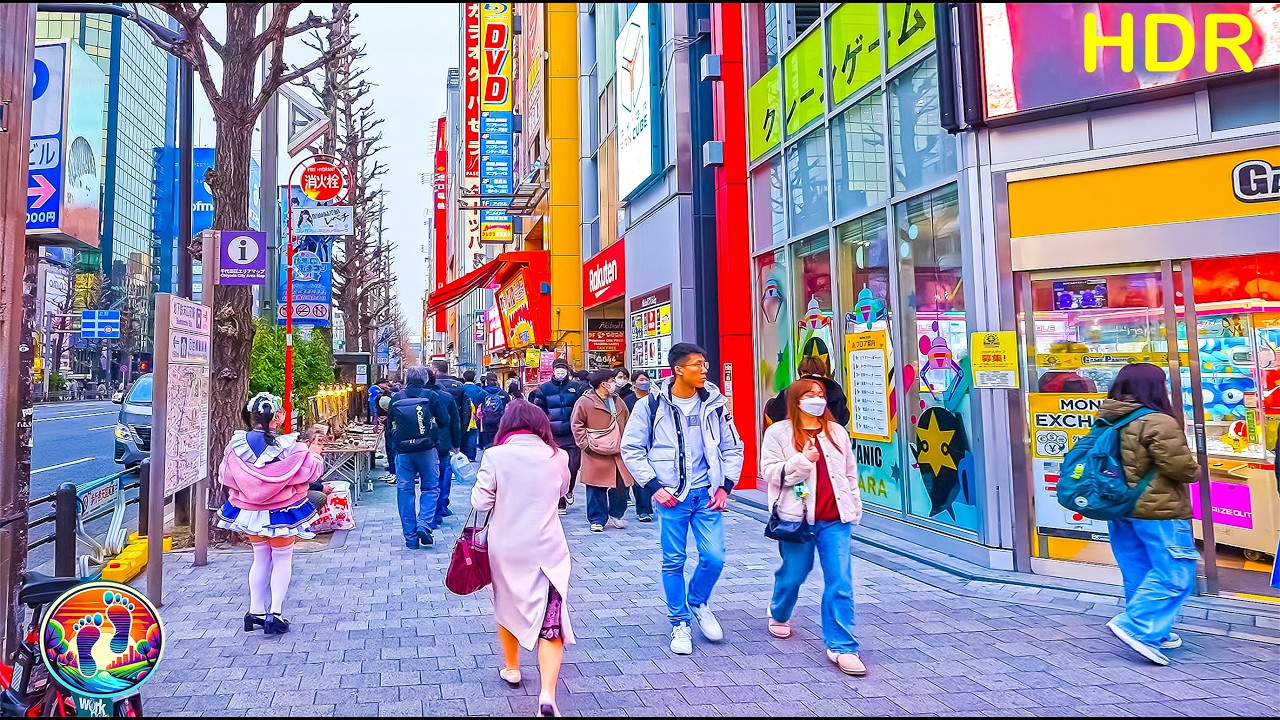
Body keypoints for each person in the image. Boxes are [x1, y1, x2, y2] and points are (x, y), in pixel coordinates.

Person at [621, 343, 744, 656]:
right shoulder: (650, 405)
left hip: (707, 494)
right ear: (678, 369)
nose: (704, 370)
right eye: (697, 365)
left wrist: (725, 486)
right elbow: (631, 448)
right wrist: (653, 487)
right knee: (673, 561)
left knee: (714, 557)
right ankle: (680, 622)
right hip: (672, 496)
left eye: (705, 364)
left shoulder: (716, 402)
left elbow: (732, 446)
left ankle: (698, 602)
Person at [471, 400, 575, 717]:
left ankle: (512, 668)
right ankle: (547, 695)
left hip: (506, 547)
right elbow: (563, 491)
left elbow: (480, 501)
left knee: (507, 602)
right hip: (548, 548)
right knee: (551, 621)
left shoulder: (495, 455)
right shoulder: (559, 456)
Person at [760, 378, 866, 676]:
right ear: (796, 400)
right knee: (794, 574)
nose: (817, 399)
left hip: (835, 520)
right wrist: (802, 462)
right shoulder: (778, 433)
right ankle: (779, 610)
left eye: (821, 395)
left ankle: (843, 646)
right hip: (796, 520)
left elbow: (849, 474)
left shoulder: (836, 432)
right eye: (810, 395)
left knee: (841, 581)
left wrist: (853, 509)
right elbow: (770, 473)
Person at [1099, 362, 1200, 666]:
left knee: (1138, 570)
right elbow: (1180, 467)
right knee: (1175, 573)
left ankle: (1156, 630)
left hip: (1120, 507)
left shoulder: (1109, 416)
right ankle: (1138, 627)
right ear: (1156, 387)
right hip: (1159, 510)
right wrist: (1195, 470)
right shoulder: (1158, 421)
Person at [215, 392, 324, 635]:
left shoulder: (236, 447)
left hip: (251, 513)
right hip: (282, 512)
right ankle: (275, 613)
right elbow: (309, 473)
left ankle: (254, 611)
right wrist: (315, 453)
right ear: (277, 417)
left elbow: (226, 476)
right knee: (283, 559)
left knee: (260, 558)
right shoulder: (290, 448)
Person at [388, 367, 456, 549]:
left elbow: (389, 429)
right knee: (430, 488)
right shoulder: (431, 396)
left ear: (406, 378)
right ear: (425, 379)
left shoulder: (397, 397)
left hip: (403, 453)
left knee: (405, 491)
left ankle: (410, 538)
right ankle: (425, 524)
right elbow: (445, 421)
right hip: (427, 450)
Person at [571, 369, 635, 533]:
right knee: (595, 486)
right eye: (612, 380)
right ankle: (597, 519)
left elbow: (627, 421)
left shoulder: (618, 400)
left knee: (621, 485)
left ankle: (616, 513)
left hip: (617, 450)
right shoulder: (585, 401)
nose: (615, 383)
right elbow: (577, 424)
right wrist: (585, 444)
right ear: (603, 383)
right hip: (595, 450)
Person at [530, 359, 588, 514]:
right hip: (553, 435)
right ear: (553, 370)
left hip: (573, 434)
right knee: (556, 469)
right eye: (558, 368)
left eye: (563, 368)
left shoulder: (577, 388)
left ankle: (568, 489)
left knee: (573, 466)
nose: (561, 371)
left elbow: (583, 409)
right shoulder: (544, 389)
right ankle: (560, 500)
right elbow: (538, 411)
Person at [432, 360, 472, 522]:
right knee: (445, 470)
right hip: (449, 433)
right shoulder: (458, 387)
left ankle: (433, 506)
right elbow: (465, 412)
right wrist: (459, 435)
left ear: (435, 370)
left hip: (432, 434)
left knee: (432, 472)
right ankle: (443, 503)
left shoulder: (429, 388)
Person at [763, 356, 851, 427]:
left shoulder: (794, 389)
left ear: (801, 371)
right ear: (823, 370)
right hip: (830, 439)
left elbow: (776, 413)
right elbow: (844, 418)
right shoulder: (835, 388)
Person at [622, 370, 655, 522]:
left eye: (646, 379)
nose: (644, 382)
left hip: (653, 441)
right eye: (641, 379)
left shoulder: (655, 399)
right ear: (634, 383)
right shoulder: (627, 401)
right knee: (639, 475)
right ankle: (643, 510)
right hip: (636, 440)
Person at [477, 373, 511, 453]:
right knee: (499, 445)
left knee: (488, 447)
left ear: (487, 381)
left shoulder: (482, 394)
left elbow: (476, 407)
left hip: (486, 423)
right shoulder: (504, 394)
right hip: (500, 423)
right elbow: (508, 408)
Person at [462, 370, 488, 461]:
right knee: (473, 435)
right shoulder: (479, 390)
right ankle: (471, 455)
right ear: (474, 378)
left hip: (462, 415)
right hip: (475, 416)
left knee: (463, 434)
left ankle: (463, 453)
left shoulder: (460, 388)